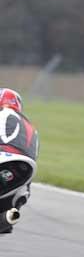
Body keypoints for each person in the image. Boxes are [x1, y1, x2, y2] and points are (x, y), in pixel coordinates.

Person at [0, 88, 37, 234]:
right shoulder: (32, 129)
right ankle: (9, 216)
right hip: (24, 168)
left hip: (3, 156)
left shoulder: (2, 113)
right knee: (22, 191)